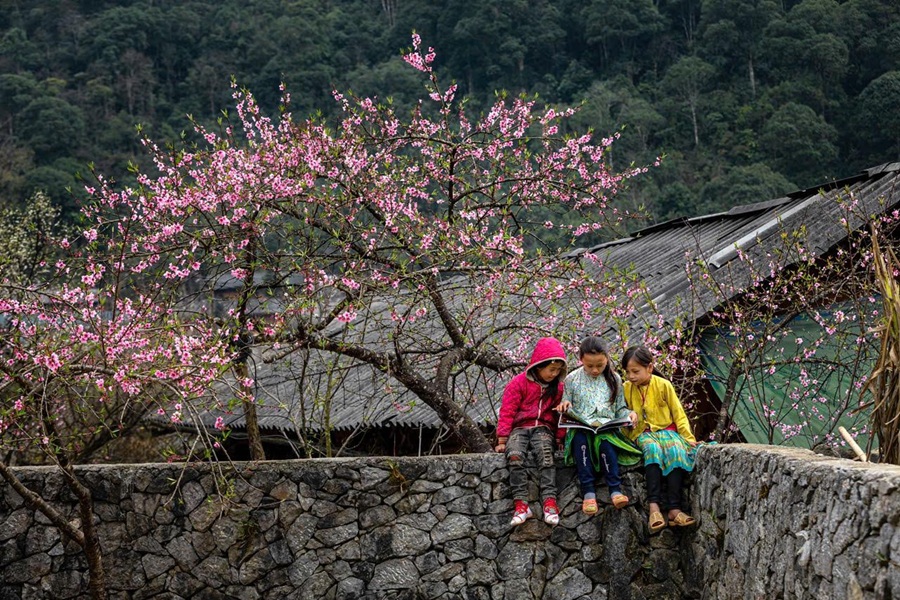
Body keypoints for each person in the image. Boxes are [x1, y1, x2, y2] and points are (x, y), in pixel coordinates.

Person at [560, 336, 641, 515]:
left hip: (606, 428)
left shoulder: (615, 379)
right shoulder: (572, 379)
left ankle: (615, 489)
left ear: (607, 359)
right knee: (581, 442)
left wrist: (629, 414)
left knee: (605, 444)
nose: (595, 370)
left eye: (600, 365)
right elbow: (566, 402)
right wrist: (565, 405)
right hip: (581, 427)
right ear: (581, 359)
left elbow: (619, 408)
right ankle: (588, 492)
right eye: (590, 366)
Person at [621, 345, 697, 533]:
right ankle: (654, 507)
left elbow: (678, 413)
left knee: (676, 450)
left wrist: (688, 438)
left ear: (649, 367)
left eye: (635, 371)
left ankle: (674, 509)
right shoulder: (626, 388)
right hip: (642, 434)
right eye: (628, 372)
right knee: (652, 449)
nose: (631, 376)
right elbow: (620, 412)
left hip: (667, 431)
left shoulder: (663, 385)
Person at [495, 337, 568, 526]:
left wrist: (560, 437)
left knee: (546, 455)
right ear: (538, 365)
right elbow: (508, 410)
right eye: (551, 369)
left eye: (558, 370)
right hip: (519, 428)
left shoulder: (559, 388)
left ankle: (550, 502)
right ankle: (521, 504)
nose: (554, 374)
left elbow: (561, 415)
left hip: (543, 428)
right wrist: (502, 439)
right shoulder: (519, 383)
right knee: (515, 456)